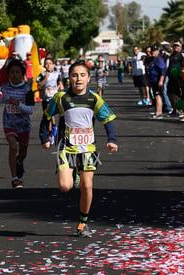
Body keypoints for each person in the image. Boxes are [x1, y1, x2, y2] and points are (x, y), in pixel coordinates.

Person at [39, 61, 118, 238]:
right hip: (66, 149)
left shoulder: (94, 99)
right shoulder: (61, 98)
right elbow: (47, 116)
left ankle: (83, 223)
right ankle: (71, 172)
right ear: (69, 78)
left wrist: (112, 140)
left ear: (88, 78)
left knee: (87, 185)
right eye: (74, 75)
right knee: (65, 187)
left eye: (82, 75)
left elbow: (108, 120)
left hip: (88, 149)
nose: (78, 79)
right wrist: (44, 138)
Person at [0, 59, 35, 189]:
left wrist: (18, 104)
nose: (14, 75)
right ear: (8, 74)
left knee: (23, 152)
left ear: (22, 74)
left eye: (17, 72)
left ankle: (19, 161)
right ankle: (14, 178)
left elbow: (30, 110)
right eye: (12, 72)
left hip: (24, 124)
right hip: (9, 122)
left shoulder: (27, 90)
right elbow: (3, 98)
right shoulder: (5, 88)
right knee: (13, 146)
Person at [36, 57, 64, 144]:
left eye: (50, 64)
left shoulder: (57, 74)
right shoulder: (42, 74)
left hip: (55, 98)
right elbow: (39, 86)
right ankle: (51, 130)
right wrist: (45, 78)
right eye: (47, 64)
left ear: (53, 65)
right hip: (46, 98)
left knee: (52, 114)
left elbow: (60, 83)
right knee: (47, 115)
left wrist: (62, 88)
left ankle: (53, 129)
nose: (48, 65)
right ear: (44, 65)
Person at [148, 46, 167, 119]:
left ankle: (159, 113)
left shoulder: (159, 59)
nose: (153, 52)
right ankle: (157, 111)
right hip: (153, 81)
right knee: (156, 96)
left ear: (158, 52)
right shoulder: (153, 59)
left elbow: (162, 71)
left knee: (158, 96)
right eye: (152, 51)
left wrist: (161, 80)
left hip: (158, 81)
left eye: (154, 51)